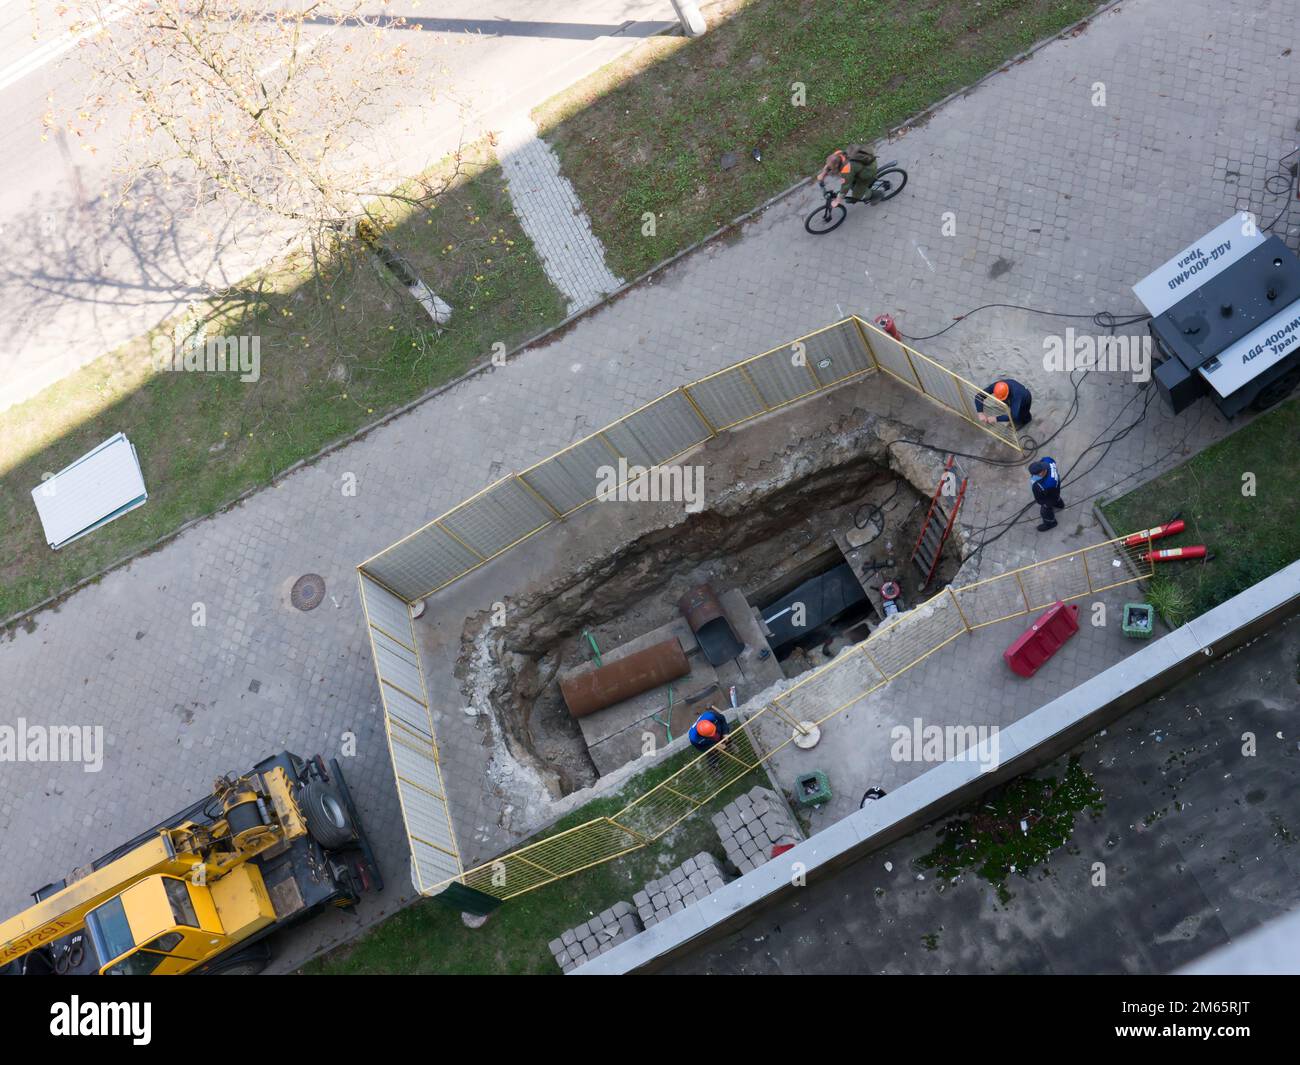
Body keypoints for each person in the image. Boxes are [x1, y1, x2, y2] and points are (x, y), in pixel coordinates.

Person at [814, 144, 879, 209]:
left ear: (836, 165)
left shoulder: (846, 169)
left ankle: (876, 195)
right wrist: (823, 174)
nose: (830, 168)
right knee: (851, 182)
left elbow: (845, 186)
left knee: (858, 192)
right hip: (864, 164)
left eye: (832, 168)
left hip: (869, 171)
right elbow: (829, 164)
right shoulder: (837, 154)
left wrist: (837, 200)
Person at [1028, 456, 1064, 532]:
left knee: (1045, 511)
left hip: (1050, 495)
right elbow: (1046, 459)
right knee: (1056, 497)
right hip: (1056, 488)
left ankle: (1051, 523)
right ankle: (1060, 505)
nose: (1034, 476)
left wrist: (1043, 503)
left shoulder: (1045, 484)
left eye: (1036, 474)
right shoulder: (1048, 461)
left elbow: (1040, 497)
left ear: (1041, 473)